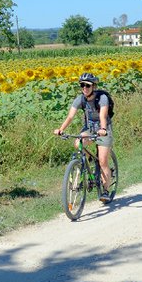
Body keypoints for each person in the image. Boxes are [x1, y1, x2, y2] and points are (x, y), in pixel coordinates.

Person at [54, 72, 115, 203]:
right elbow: (70, 116)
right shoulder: (80, 99)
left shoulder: (102, 98)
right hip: (89, 128)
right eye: (82, 85)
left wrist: (103, 129)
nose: (84, 88)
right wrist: (61, 129)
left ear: (94, 86)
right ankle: (85, 163)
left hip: (104, 129)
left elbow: (103, 116)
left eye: (87, 85)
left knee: (103, 161)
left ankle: (105, 190)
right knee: (78, 144)